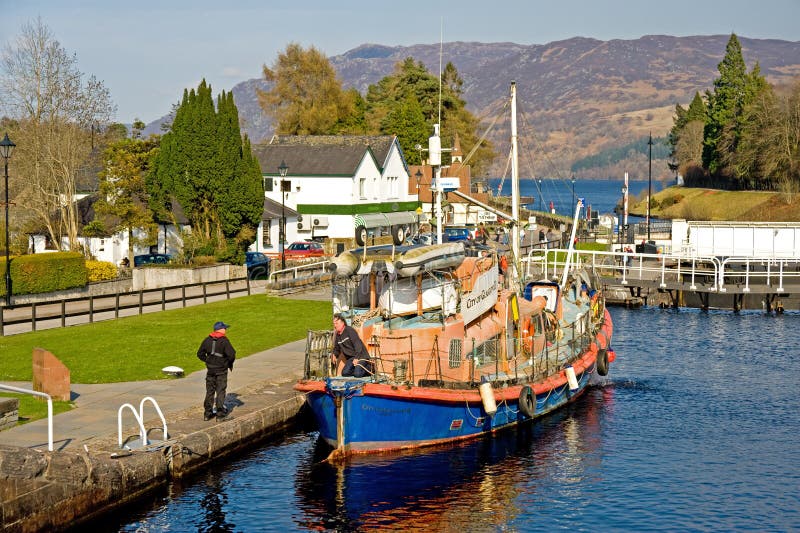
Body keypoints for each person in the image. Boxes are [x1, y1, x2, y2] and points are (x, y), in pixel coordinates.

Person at [197, 321, 236, 421]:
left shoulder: (207, 340)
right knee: (220, 391)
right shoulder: (224, 341)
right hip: (221, 370)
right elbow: (232, 354)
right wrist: (227, 363)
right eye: (225, 328)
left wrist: (208, 361)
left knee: (210, 391)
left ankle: (207, 414)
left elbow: (200, 354)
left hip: (210, 370)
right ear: (221, 330)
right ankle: (220, 414)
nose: (225, 330)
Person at [331, 313, 372, 377]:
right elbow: (337, 348)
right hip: (351, 358)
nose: (335, 326)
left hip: (361, 356)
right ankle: (357, 370)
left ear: (342, 323)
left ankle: (370, 368)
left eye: (336, 323)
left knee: (358, 374)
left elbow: (358, 345)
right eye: (334, 324)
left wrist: (357, 358)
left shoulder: (350, 330)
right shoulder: (337, 335)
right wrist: (334, 355)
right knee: (345, 373)